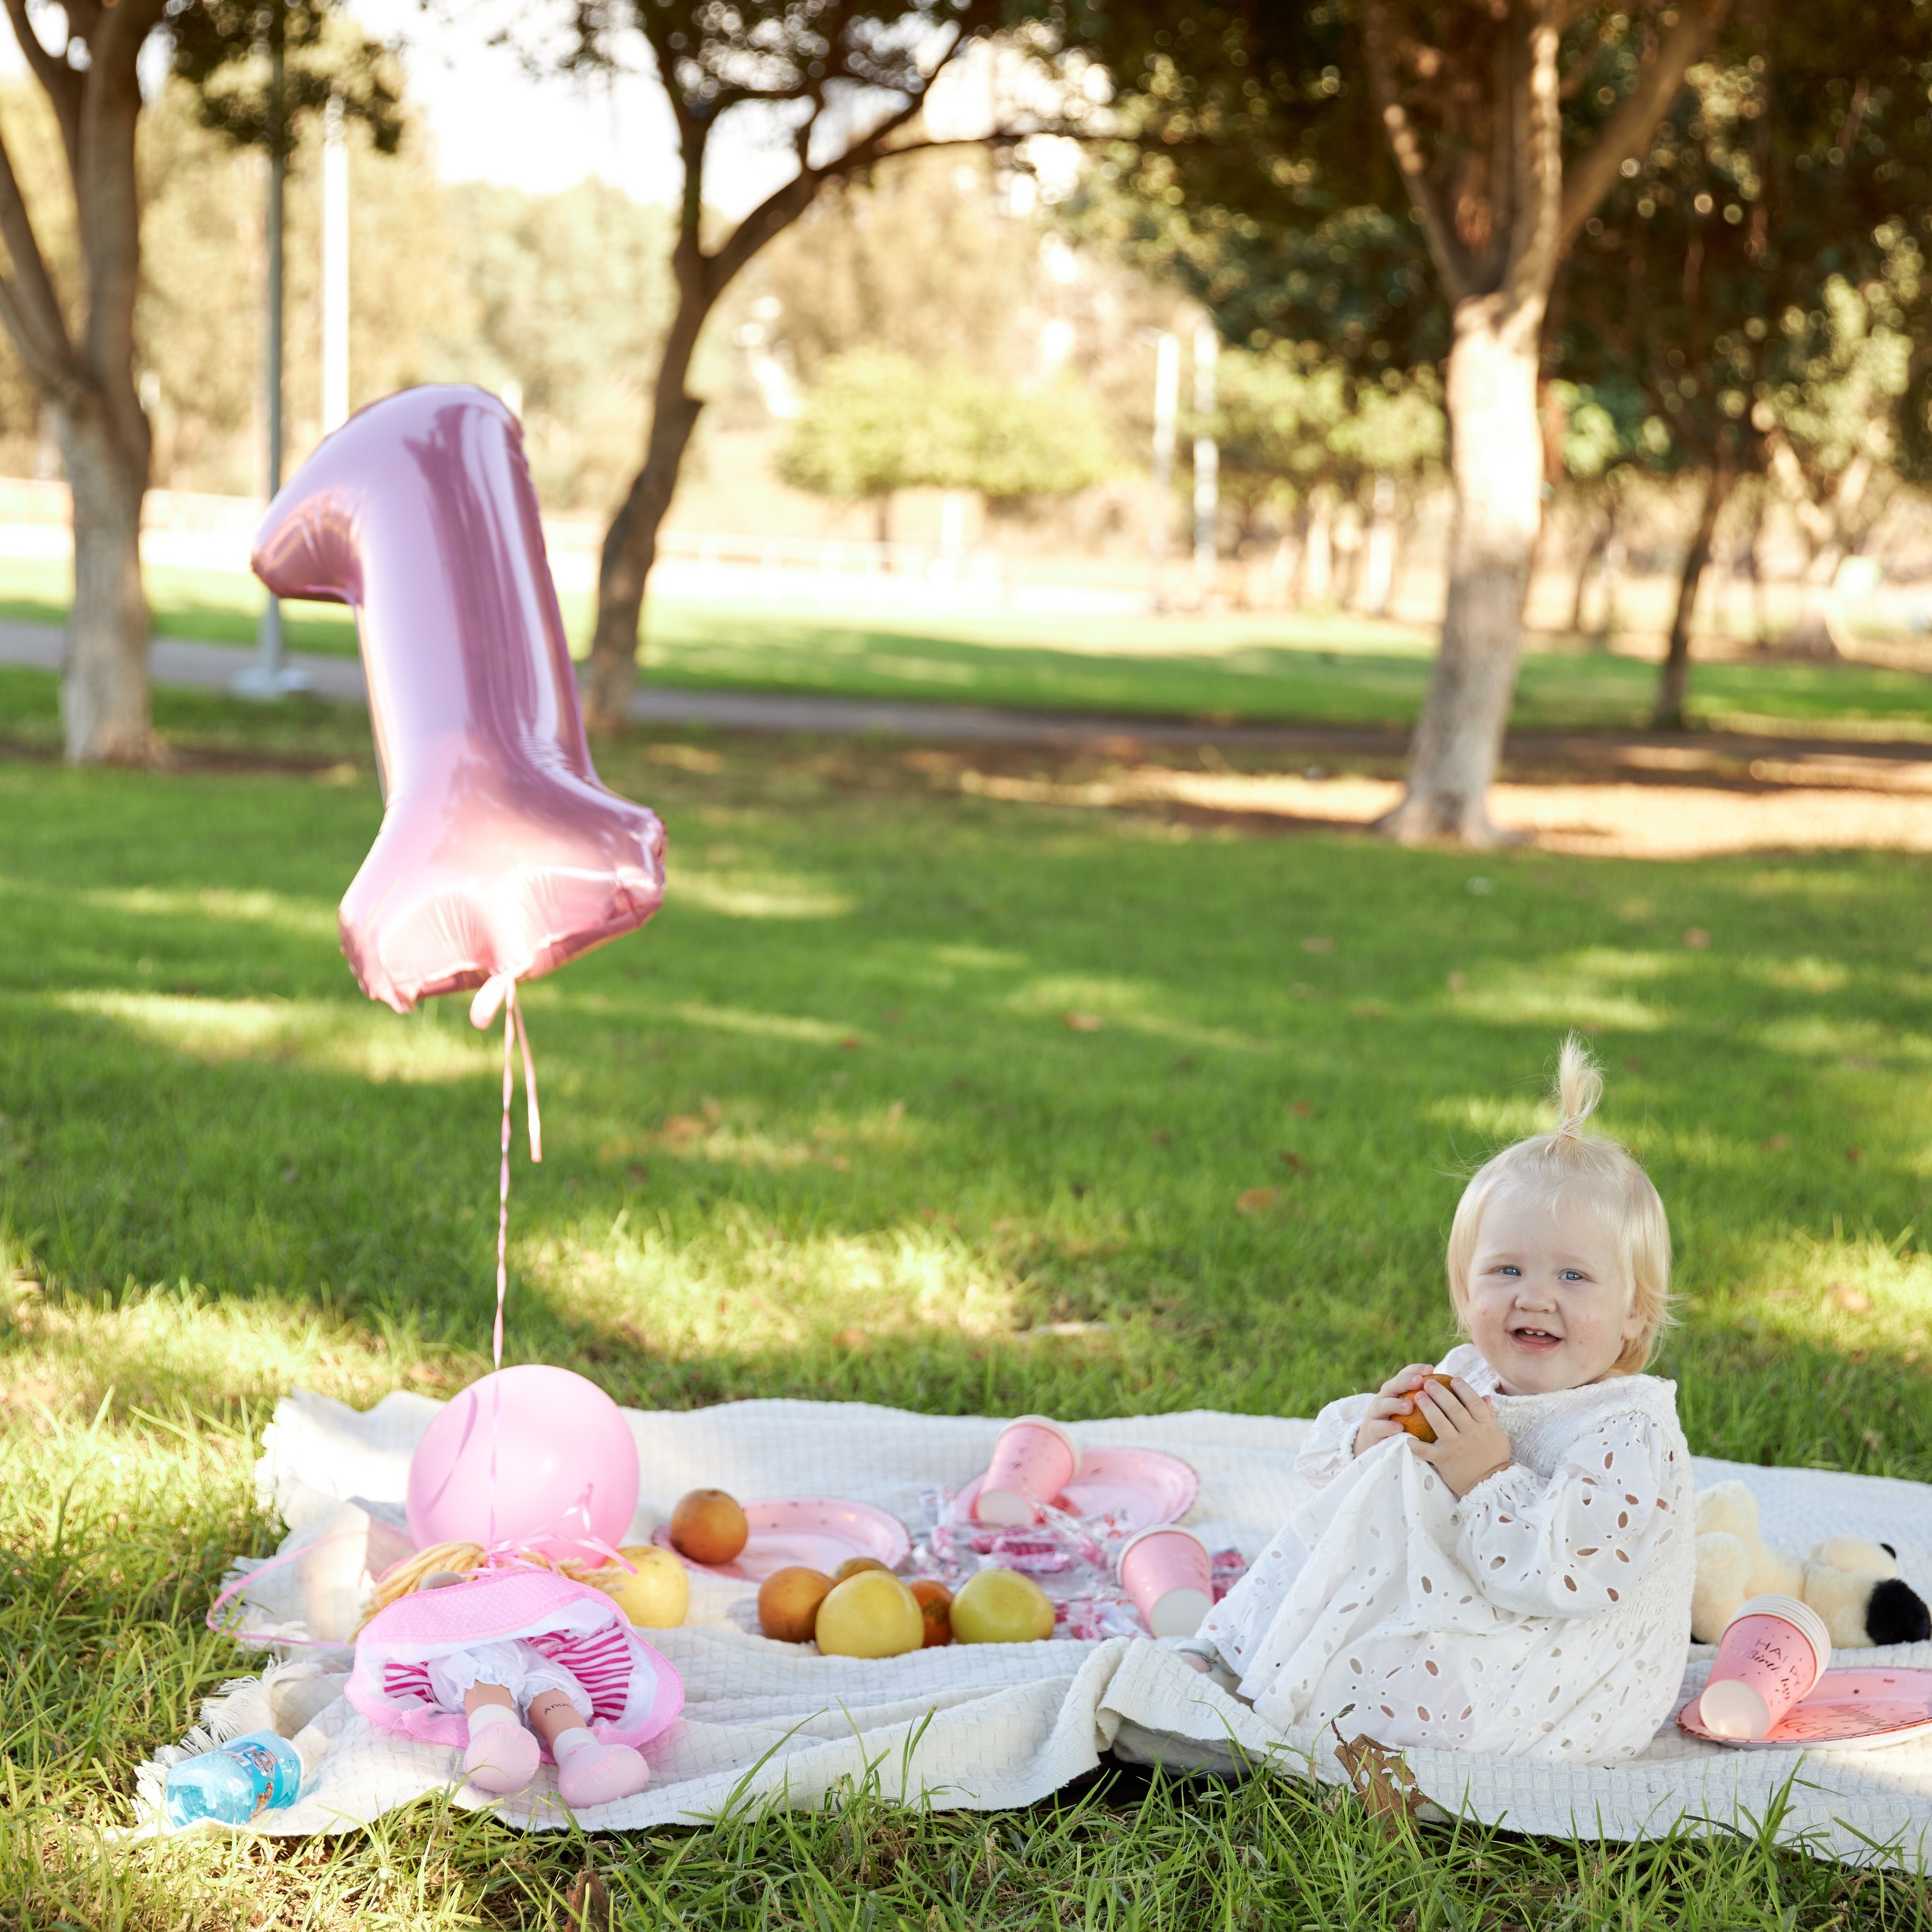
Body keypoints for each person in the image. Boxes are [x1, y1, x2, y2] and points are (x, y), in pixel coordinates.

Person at [1183, 1036, 1692, 1765]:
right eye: (1506, 1268)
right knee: (1380, 1494)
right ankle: (1246, 1659)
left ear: (1635, 1313)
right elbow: (1345, 1498)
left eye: (1575, 1277)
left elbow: (1570, 1573)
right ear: (1466, 1290)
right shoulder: (1469, 1378)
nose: (1535, 1295)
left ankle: (1319, 1710)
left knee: (1395, 1666)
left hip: (1563, 1670)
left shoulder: (1626, 1430)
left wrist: (1487, 1478)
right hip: (1481, 1603)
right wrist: (1372, 1440)